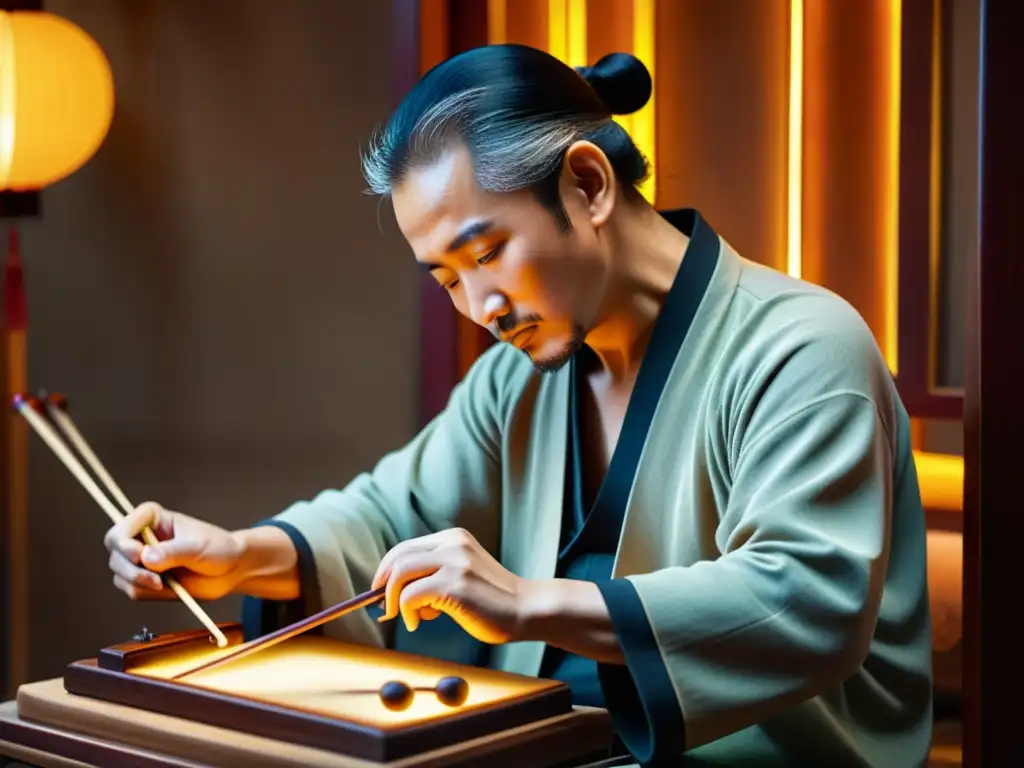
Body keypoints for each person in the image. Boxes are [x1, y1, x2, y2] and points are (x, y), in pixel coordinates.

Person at [104, 44, 933, 767]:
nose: (479, 306)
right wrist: (241, 552)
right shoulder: (524, 375)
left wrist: (522, 602)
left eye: (487, 251)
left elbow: (805, 599)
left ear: (586, 182)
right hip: (553, 746)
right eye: (447, 278)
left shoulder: (801, 346)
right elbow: (397, 510)